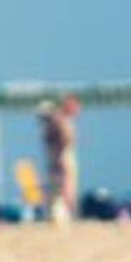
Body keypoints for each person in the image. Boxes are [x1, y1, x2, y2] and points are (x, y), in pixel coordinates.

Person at [40, 96, 79, 224]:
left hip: (56, 158)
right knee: (63, 188)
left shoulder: (54, 123)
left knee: (57, 189)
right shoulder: (60, 121)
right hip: (61, 158)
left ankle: (59, 215)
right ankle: (62, 215)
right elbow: (66, 139)